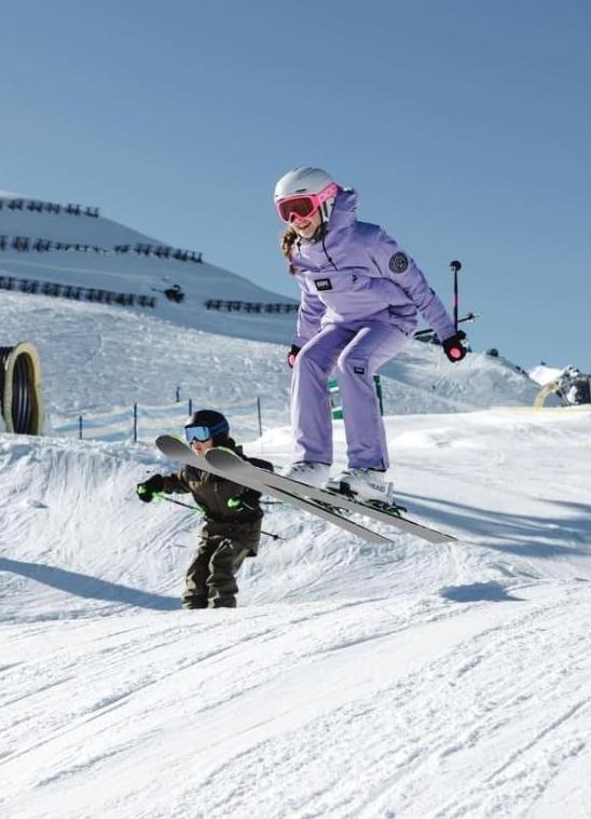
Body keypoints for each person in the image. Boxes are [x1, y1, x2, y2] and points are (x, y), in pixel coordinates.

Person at [274, 166, 467, 503]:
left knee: (353, 362)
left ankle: (369, 472)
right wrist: (299, 343)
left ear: (325, 202)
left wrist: (447, 334)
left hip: (389, 319)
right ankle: (312, 463)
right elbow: (311, 304)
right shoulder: (300, 253)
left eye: (301, 207)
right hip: (342, 322)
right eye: (284, 211)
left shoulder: (368, 240)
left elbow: (417, 286)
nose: (295, 218)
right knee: (307, 363)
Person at [137, 409, 273, 609]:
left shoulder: (235, 464)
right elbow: (177, 481)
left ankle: (220, 614)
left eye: (200, 434)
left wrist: (250, 496)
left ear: (217, 435)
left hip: (243, 530)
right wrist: (155, 485)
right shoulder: (194, 470)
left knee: (220, 566)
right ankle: (194, 616)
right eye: (189, 435)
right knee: (197, 572)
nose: (194, 442)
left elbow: (264, 470)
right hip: (213, 529)